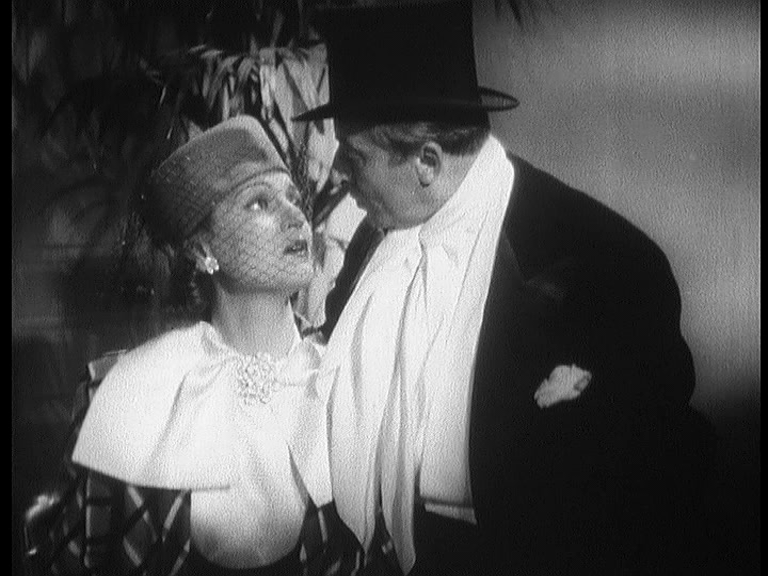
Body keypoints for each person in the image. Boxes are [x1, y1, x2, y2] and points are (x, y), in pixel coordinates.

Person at [295, 2, 715, 575]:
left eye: (355, 155)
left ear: (426, 162)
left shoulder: (604, 262)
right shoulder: (376, 240)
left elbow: (650, 488)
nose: (338, 172)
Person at [48, 115, 347, 576]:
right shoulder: (122, 391)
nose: (296, 218)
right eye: (259, 203)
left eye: (293, 198)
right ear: (203, 250)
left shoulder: (342, 383)